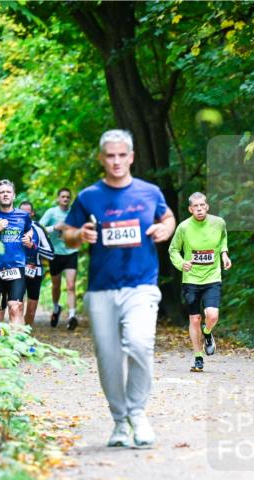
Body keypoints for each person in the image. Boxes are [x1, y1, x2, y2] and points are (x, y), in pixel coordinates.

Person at [60, 129, 176, 448]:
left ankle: (137, 414)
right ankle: (120, 422)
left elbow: (168, 218)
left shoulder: (149, 192)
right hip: (101, 289)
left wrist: (165, 229)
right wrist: (79, 235)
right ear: (101, 158)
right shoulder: (88, 197)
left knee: (139, 344)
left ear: (131, 157)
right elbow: (66, 232)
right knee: (109, 358)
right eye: (110, 155)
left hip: (141, 284)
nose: (116, 161)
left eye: (122, 155)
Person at [168, 192, 231, 372]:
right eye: (196, 206)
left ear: (207, 206)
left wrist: (224, 254)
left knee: (212, 315)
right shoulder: (184, 228)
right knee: (194, 319)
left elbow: (223, 237)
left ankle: (207, 332)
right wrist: (182, 264)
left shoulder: (219, 223)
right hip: (191, 280)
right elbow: (173, 250)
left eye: (202, 205)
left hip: (212, 277)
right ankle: (198, 357)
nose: (200, 209)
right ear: (190, 209)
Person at [0, 179, 32, 326]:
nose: (5, 195)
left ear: (14, 196)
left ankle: (16, 347)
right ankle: (0, 344)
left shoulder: (23, 216)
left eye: (8, 192)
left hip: (17, 267)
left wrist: (28, 237)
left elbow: (29, 229)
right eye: (1, 192)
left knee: (15, 307)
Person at [39, 188, 79, 329]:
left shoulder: (74, 213)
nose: (65, 199)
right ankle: (56, 308)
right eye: (63, 197)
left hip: (71, 252)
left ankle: (72, 316)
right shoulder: (51, 212)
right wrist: (55, 227)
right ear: (58, 199)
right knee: (56, 286)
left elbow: (80, 229)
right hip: (55, 254)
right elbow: (39, 228)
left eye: (68, 197)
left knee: (70, 286)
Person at [19, 201, 55, 327]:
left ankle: (25, 336)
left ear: (32, 213)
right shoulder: (12, 228)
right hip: (17, 272)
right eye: (21, 212)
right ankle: (17, 339)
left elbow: (51, 254)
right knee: (17, 306)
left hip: (35, 272)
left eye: (27, 213)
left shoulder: (38, 229)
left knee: (31, 311)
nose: (24, 215)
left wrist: (34, 246)